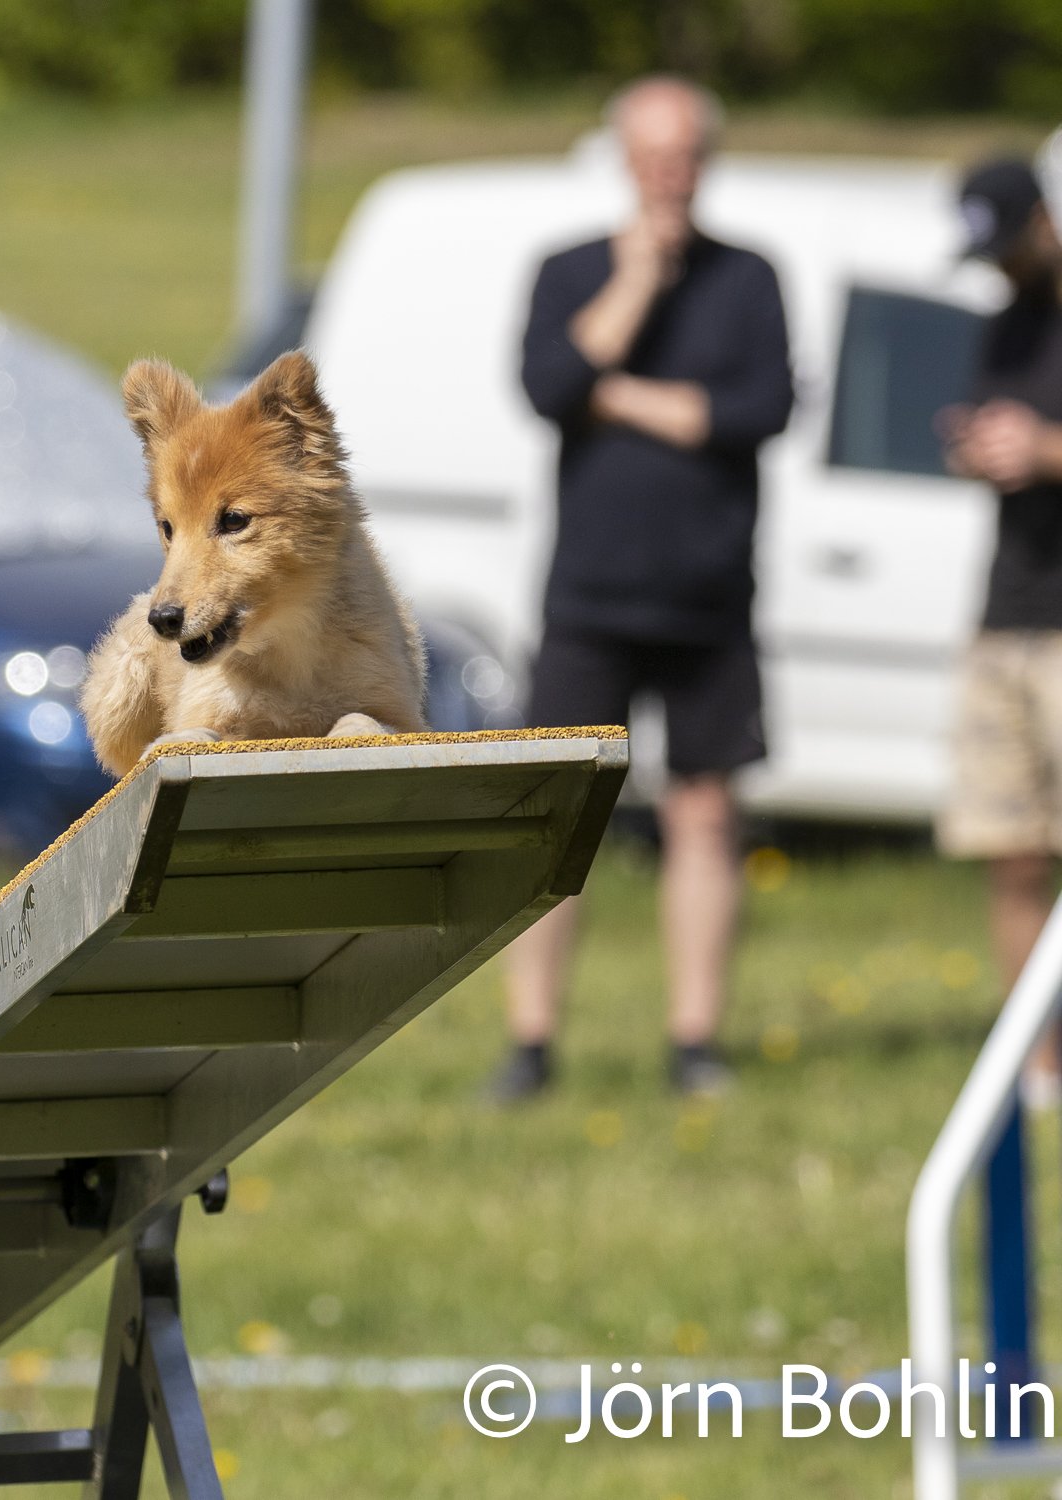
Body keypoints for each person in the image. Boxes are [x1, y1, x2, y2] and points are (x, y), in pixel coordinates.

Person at [490, 75, 794, 1101]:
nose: (669, 173)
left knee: (705, 816)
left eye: (685, 155)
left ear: (706, 160)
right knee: (556, 818)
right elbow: (546, 390)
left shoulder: (749, 278)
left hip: (709, 598)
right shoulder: (569, 269)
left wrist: (618, 397)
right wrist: (629, 289)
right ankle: (529, 1045)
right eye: (650, 155)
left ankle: (693, 1040)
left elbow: (759, 411)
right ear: (622, 160)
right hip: (587, 598)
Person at [937, 158, 1062, 1104]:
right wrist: (980, 448)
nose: (998, 269)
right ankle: (1037, 1070)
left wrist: (1045, 449)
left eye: (1006, 245)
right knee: (1011, 847)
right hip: (1004, 617)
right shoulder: (1006, 321)